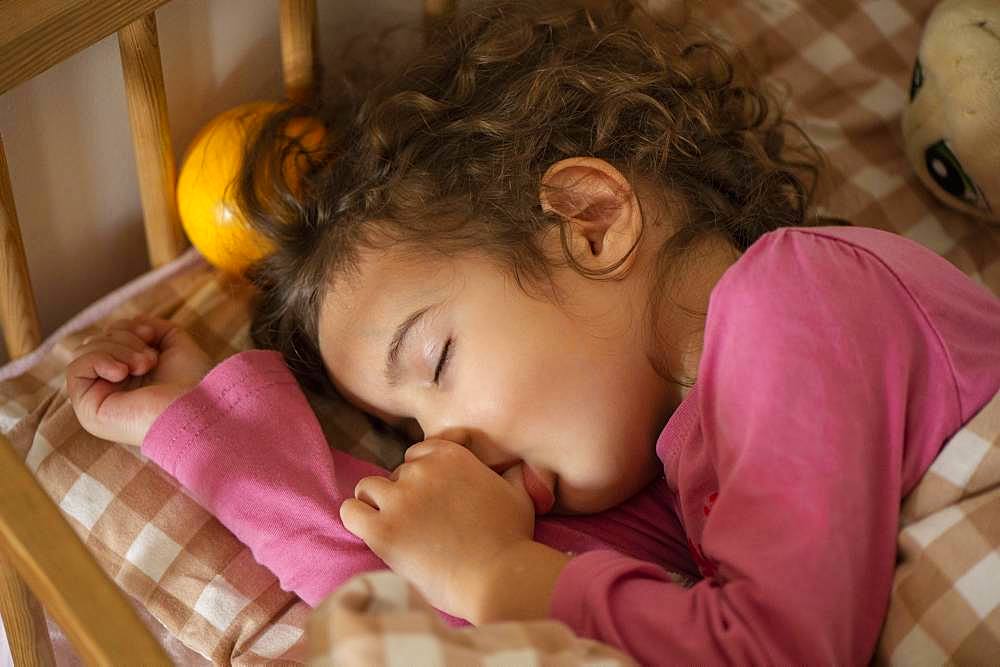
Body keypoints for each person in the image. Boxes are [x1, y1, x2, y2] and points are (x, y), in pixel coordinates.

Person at [65, 0, 1000, 663]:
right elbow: (418, 587)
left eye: (435, 360)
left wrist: (499, 569)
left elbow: (778, 652)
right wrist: (202, 425)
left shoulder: (798, 295)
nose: (448, 443)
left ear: (592, 219)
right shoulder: (673, 468)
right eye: (410, 434)